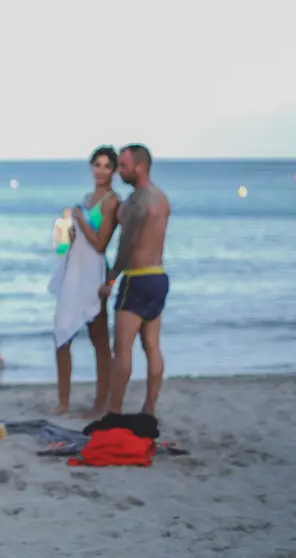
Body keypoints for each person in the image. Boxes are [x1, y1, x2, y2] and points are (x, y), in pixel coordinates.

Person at [98, 144, 170, 416]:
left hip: (137, 279)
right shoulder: (161, 198)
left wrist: (111, 279)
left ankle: (113, 410)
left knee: (123, 349)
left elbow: (128, 243)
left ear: (139, 167)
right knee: (152, 345)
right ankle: (149, 408)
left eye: (123, 166)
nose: (119, 170)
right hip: (158, 277)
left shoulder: (138, 201)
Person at [52, 146, 122, 417]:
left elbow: (101, 244)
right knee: (61, 334)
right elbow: (75, 239)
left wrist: (80, 219)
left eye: (106, 165)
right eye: (97, 164)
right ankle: (63, 401)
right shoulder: (86, 197)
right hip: (74, 274)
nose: (101, 170)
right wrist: (68, 229)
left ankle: (100, 403)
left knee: (99, 340)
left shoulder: (112, 201)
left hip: (94, 276)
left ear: (114, 171)